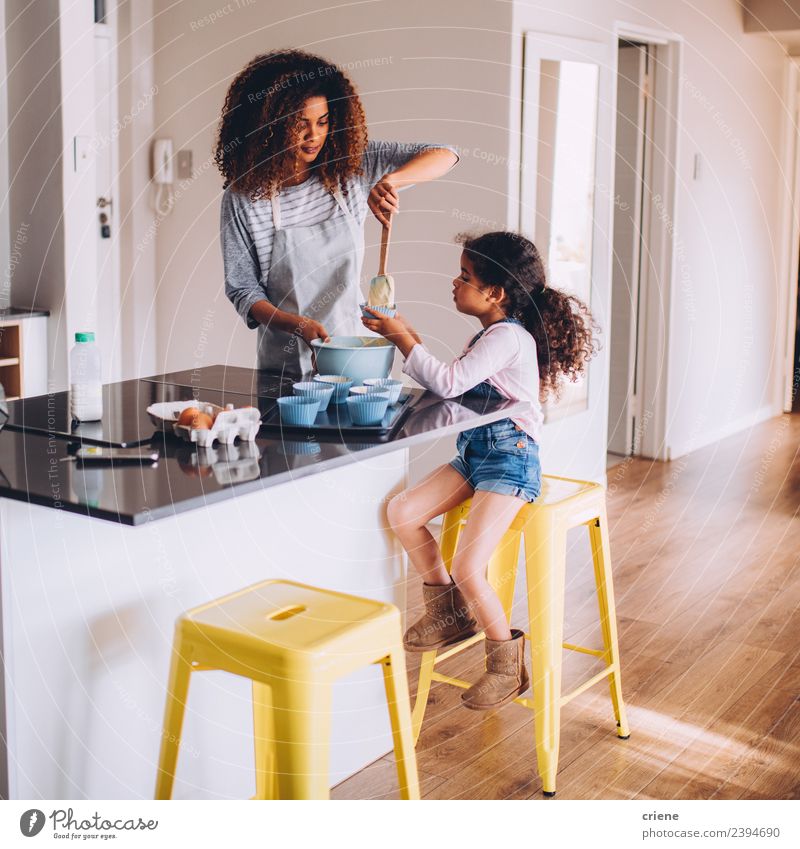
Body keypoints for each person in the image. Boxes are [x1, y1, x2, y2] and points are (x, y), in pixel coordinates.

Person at [362, 231, 598, 710]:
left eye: (465, 277)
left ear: (496, 293)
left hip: (511, 457)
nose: (456, 282)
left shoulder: (508, 336)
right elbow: (461, 383)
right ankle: (448, 613)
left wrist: (403, 339)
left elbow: (450, 383)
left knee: (470, 565)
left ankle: (506, 665)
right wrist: (406, 335)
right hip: (477, 454)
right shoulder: (491, 335)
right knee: (404, 511)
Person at [216, 49, 459, 379]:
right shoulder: (244, 198)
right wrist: (297, 325)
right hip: (286, 367)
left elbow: (446, 154)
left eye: (322, 122)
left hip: (357, 355)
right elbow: (243, 290)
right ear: (267, 126)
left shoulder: (351, 168)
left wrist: (391, 181)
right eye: (299, 124)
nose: (313, 136)